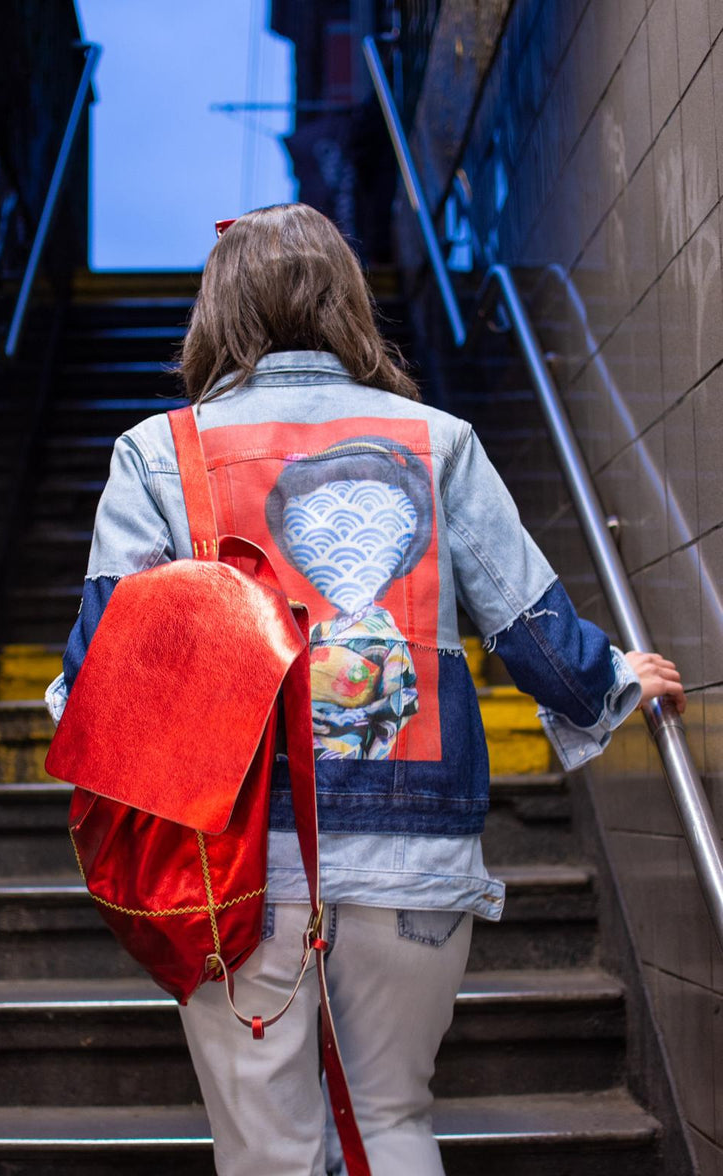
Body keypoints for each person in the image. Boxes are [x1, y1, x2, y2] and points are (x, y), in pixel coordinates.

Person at [44, 203, 685, 1176]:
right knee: (391, 1122)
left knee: (269, 1153)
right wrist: (612, 680)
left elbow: (99, 677)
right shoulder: (438, 439)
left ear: (218, 313)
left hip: (233, 872)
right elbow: (529, 631)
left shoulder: (156, 451)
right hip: (415, 858)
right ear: (347, 304)